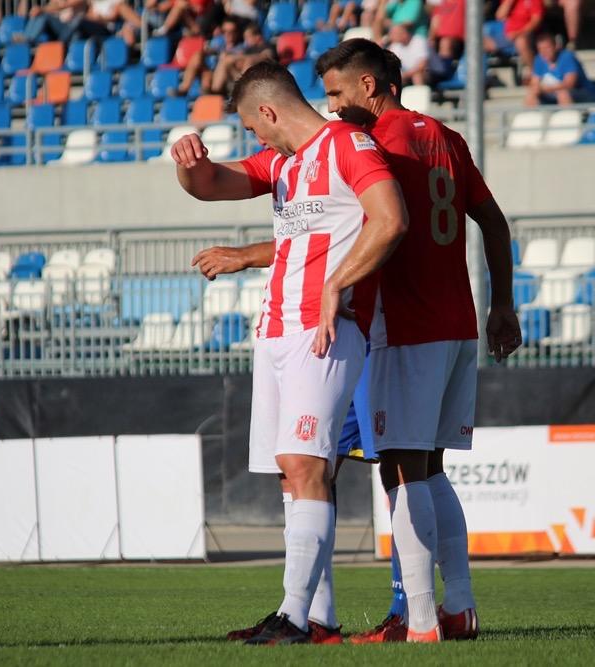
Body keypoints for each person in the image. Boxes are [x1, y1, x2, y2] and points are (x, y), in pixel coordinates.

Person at [173, 62, 408, 646]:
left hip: (324, 330)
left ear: (269, 112)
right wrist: (187, 164)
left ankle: (294, 617)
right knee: (291, 472)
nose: (255, 139)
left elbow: (391, 220)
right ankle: (316, 618)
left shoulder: (347, 145)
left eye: (253, 128)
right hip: (276, 329)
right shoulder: (282, 162)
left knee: (306, 466)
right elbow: (208, 185)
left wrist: (337, 285)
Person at [316, 39, 522, 642]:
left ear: (369, 86)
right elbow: (494, 222)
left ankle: (421, 620)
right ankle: (460, 606)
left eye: (337, 93)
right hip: (457, 323)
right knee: (430, 470)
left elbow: (370, 228)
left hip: (405, 326)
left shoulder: (372, 144)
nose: (332, 107)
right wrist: (502, 304)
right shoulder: (447, 138)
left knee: (402, 472)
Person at [525, 31, 595, 106]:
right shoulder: (538, 59)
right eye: (540, 49)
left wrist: (546, 89)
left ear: (555, 46)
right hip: (553, 92)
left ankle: (566, 113)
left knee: (562, 93)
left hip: (582, 92)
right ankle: (530, 113)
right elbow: (535, 83)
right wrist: (535, 87)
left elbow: (569, 84)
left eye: (547, 48)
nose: (544, 52)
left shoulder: (567, 57)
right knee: (532, 92)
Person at [496, 0, 545, 72]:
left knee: (521, 42)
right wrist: (509, 2)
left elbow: (535, 21)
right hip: (505, 33)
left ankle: (536, 72)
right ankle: (480, 75)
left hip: (525, 33)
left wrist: (517, 33)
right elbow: (499, 16)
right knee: (481, 40)